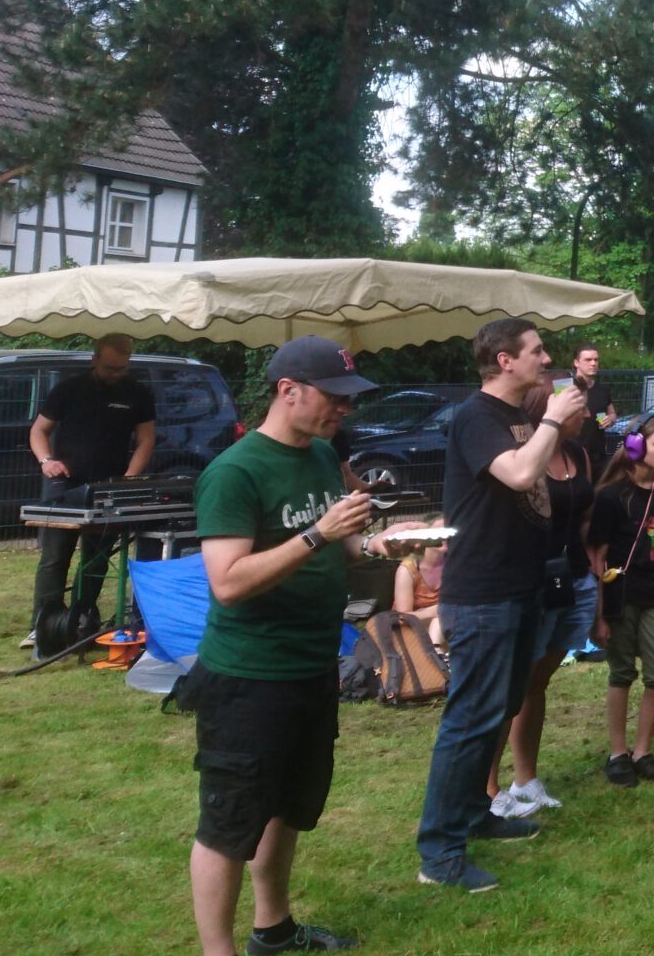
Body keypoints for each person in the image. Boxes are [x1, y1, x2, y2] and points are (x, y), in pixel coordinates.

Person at [187, 336, 399, 955]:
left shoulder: (324, 456)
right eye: (335, 398)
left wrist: (382, 544)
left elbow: (345, 546)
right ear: (288, 391)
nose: (345, 410)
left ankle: (274, 930)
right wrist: (317, 535)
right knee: (230, 822)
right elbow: (228, 583)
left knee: (289, 807)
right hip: (248, 675)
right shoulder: (234, 473)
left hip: (312, 666)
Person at [416, 319, 586, 894]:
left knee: (500, 708)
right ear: (505, 360)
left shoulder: (516, 416)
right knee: (469, 721)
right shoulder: (476, 417)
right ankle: (439, 852)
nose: (547, 358)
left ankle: (474, 814)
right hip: (483, 593)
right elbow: (518, 473)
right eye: (537, 351)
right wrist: (553, 420)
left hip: (521, 587)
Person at [487, 382, 596, 819]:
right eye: (578, 408)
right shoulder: (523, 458)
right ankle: (488, 788)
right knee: (514, 685)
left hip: (575, 578)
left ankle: (526, 779)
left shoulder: (578, 454)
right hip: (534, 581)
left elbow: (585, 517)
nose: (586, 416)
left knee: (538, 681)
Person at [26, 332, 157, 648]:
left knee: (96, 559)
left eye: (122, 368)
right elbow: (39, 430)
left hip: (109, 488)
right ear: (94, 359)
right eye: (110, 368)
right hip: (64, 486)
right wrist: (46, 461)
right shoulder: (69, 389)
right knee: (55, 557)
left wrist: (129, 478)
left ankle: (83, 618)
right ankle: (43, 625)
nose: (116, 374)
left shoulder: (138, 393)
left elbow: (146, 440)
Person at [591, 414, 654, 788]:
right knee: (622, 672)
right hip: (621, 598)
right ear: (635, 447)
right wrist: (600, 615)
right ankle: (618, 753)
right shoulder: (611, 497)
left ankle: (642, 751)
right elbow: (598, 557)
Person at [566, 341, 619, 472]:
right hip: (571, 454)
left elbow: (612, 414)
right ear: (576, 363)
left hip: (597, 456)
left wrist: (610, 419)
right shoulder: (564, 387)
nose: (593, 363)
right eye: (588, 360)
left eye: (596, 360)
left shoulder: (603, 389)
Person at [393, 546, 445, 648]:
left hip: (444, 627)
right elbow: (402, 618)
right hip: (411, 631)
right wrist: (436, 611)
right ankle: (435, 654)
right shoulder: (408, 569)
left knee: (439, 622)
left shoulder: (455, 565)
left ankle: (436, 653)